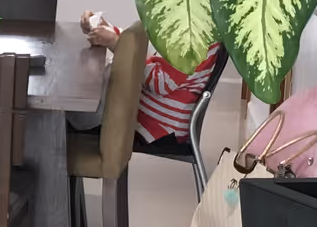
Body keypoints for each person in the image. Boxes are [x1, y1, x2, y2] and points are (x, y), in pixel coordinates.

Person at [79, 9, 223, 144]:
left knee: (74, 117)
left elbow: (160, 82)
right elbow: (138, 45)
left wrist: (117, 44)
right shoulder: (194, 25)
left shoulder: (196, 39)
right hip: (149, 114)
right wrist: (105, 28)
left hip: (159, 127)